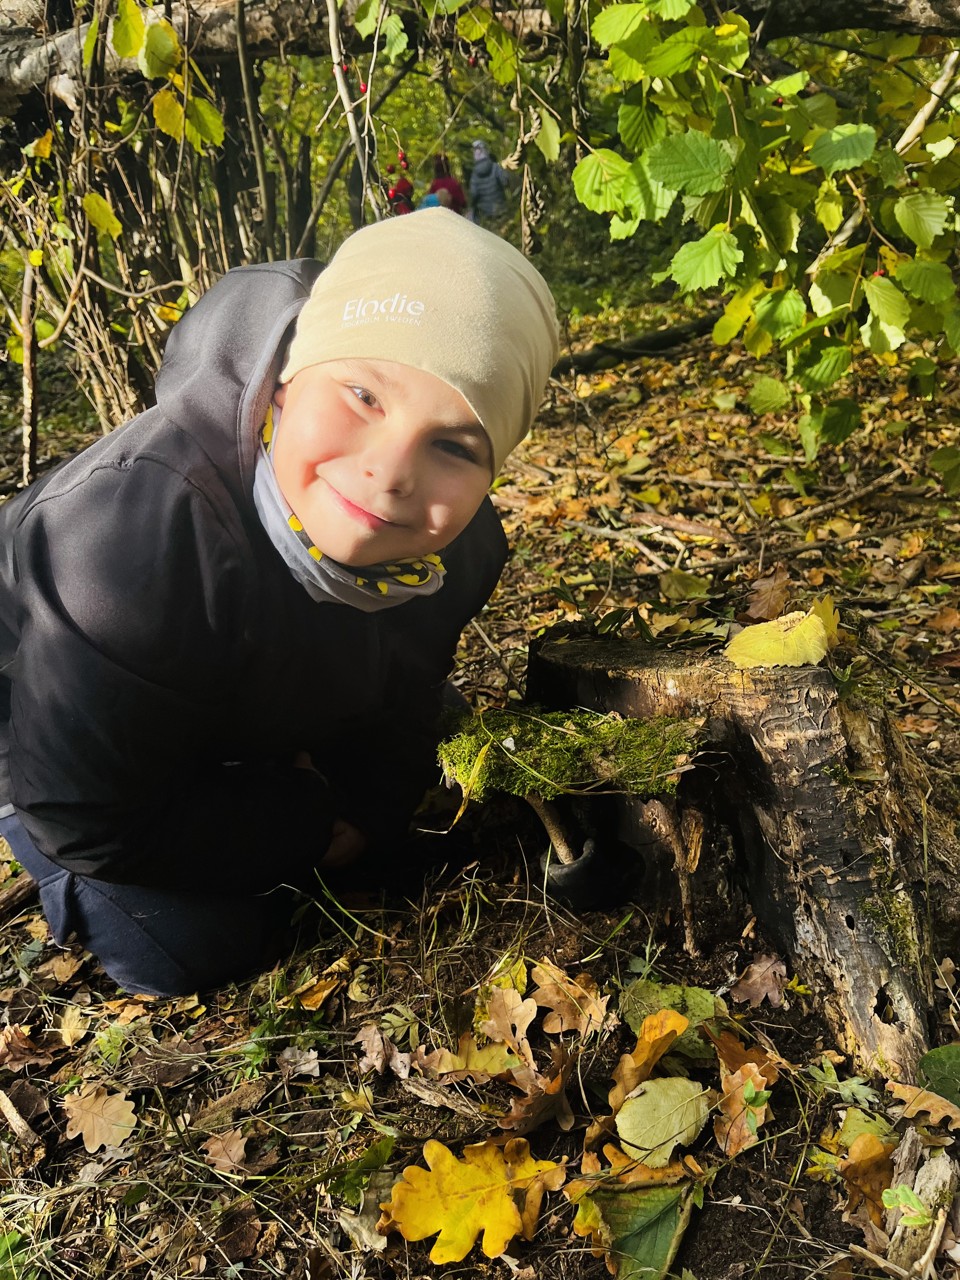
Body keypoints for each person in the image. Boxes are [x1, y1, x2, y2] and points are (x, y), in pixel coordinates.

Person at [0, 209, 558, 997]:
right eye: (364, 395)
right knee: (189, 945)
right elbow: (83, 813)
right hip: (41, 721)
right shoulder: (126, 539)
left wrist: (368, 811)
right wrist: (302, 817)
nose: (390, 472)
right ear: (289, 382)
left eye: (454, 446)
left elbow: (413, 687)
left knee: (402, 818)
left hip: (217, 691)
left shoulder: (460, 551)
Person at [469, 140, 510, 224]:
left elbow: (474, 194)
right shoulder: (495, 167)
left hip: (485, 213)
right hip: (500, 208)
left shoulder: (474, 175)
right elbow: (505, 181)